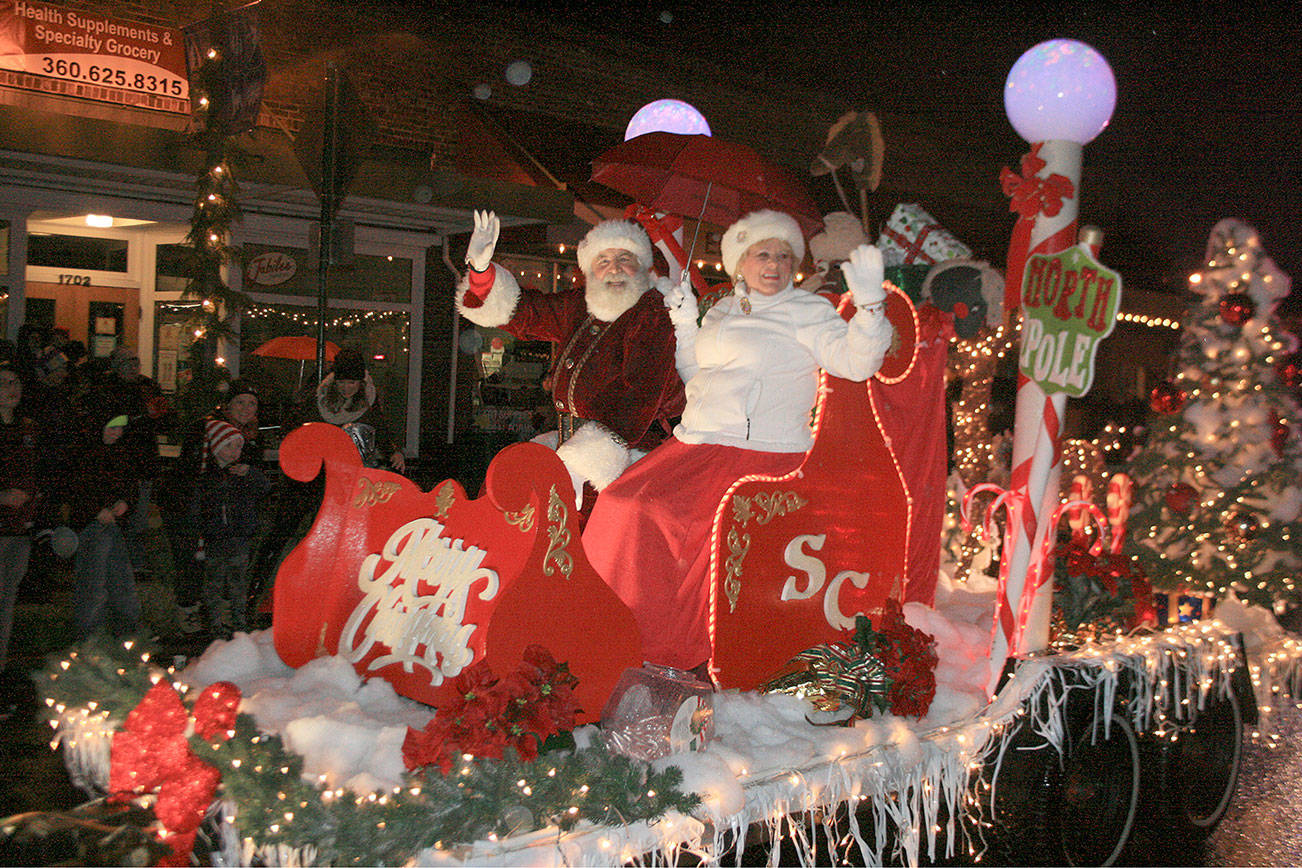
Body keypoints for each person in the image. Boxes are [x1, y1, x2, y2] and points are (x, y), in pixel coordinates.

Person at [583, 209, 894, 674]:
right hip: (697, 443)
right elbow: (696, 373)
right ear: (738, 263)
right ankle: (607, 627)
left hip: (759, 452)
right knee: (620, 503)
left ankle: (664, 646)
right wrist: (687, 323)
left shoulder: (807, 311)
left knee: (670, 524)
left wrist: (870, 307)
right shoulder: (727, 306)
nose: (774, 265)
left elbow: (857, 362)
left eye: (784, 256)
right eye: (761, 254)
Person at [457, 211, 685, 511]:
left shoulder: (651, 313)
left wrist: (583, 463)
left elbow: (639, 394)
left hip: (625, 462)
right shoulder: (581, 305)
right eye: (603, 260)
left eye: (624, 259)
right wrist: (482, 270)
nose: (613, 268)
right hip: (571, 452)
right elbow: (527, 312)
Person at [157, 380, 263, 635]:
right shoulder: (208, 429)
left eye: (252, 404)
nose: (246, 408)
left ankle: (220, 614)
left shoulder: (249, 436)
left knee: (223, 564)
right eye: (240, 402)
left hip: (220, 512)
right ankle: (188, 613)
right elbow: (193, 468)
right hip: (190, 506)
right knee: (191, 561)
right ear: (228, 405)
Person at [193, 418, 270, 639]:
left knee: (238, 581)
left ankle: (239, 621)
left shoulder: (243, 474)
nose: (236, 451)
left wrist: (252, 473)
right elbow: (201, 504)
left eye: (239, 446)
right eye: (230, 446)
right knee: (214, 582)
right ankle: (215, 622)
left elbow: (264, 488)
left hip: (239, 538)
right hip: (216, 539)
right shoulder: (208, 476)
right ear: (217, 447)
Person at [66, 410, 141, 640]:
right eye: (112, 428)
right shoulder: (82, 452)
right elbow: (73, 486)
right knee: (93, 587)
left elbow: (130, 486)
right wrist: (95, 510)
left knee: (122, 584)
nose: (117, 433)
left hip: (112, 526)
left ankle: (125, 640)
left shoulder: (120, 453)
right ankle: (89, 643)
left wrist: (124, 503)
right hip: (91, 528)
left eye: (120, 429)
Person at [0, 362, 39, 677]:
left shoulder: (27, 428)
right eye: (4, 382)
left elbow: (34, 472)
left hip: (19, 528)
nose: (12, 388)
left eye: (16, 382)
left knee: (7, 601)